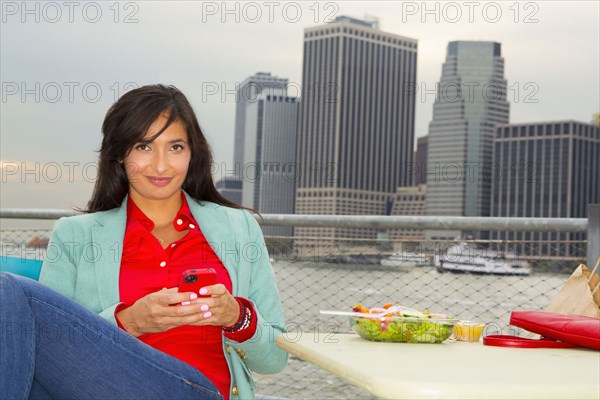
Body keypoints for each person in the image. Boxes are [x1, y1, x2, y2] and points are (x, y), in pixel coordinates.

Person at [0, 84, 287, 400]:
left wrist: (236, 316)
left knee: (7, 292)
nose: (161, 165)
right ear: (121, 154)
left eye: (175, 147)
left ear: (193, 154)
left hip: (200, 391)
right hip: (100, 387)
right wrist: (130, 322)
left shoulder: (238, 229)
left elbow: (274, 359)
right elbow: (54, 345)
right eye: (144, 147)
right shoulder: (75, 235)